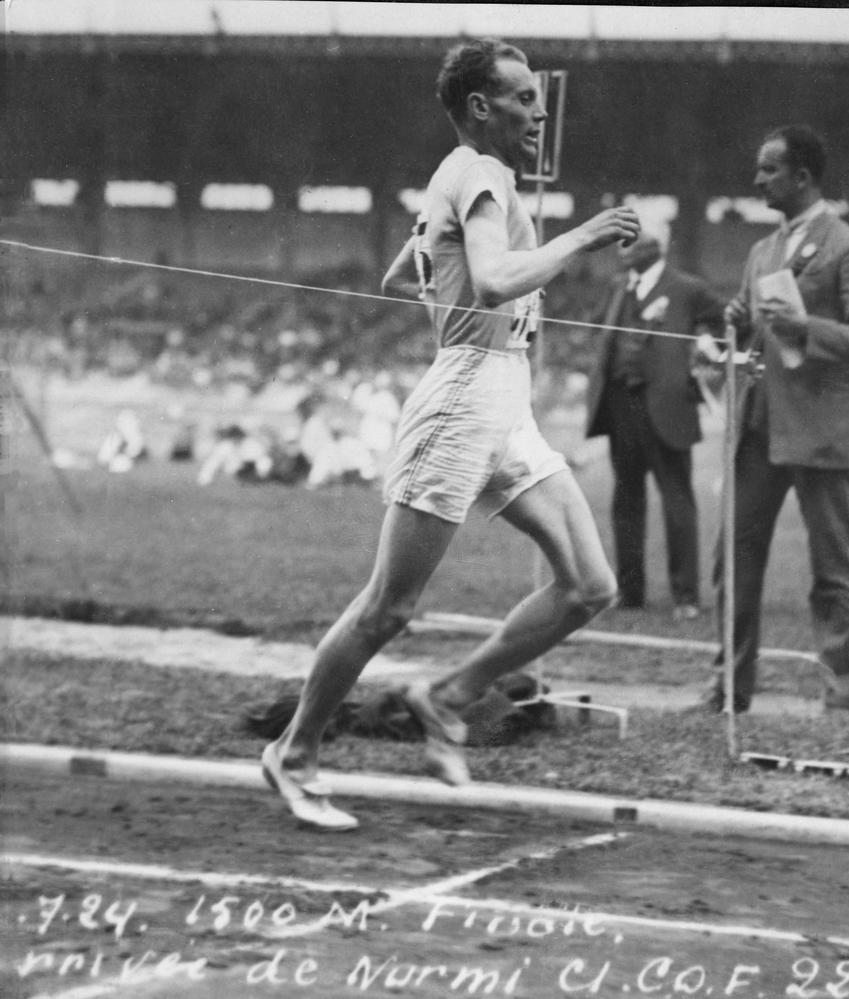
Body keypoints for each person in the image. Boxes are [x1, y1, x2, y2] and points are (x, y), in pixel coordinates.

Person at [261, 37, 640, 831]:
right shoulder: (481, 172)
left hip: (508, 400)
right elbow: (497, 280)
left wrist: (433, 237)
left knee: (590, 586)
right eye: (525, 97)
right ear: (481, 106)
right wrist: (586, 234)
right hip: (466, 393)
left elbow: (403, 277)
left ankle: (447, 695)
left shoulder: (462, 177)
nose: (539, 111)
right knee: (388, 607)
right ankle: (294, 751)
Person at [696, 124, 849, 716]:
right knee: (735, 562)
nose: (757, 180)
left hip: (819, 429)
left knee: (833, 570)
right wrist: (740, 318)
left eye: (769, 170)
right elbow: (759, 331)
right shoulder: (761, 251)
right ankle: (730, 689)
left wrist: (808, 328)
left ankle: (840, 700)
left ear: (802, 176)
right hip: (757, 426)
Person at [584, 229, 724, 620]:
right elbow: (598, 328)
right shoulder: (617, 287)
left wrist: (705, 352)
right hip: (619, 406)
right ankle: (629, 592)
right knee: (625, 501)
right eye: (621, 247)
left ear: (655, 249)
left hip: (667, 407)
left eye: (632, 245)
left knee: (677, 500)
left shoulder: (686, 288)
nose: (623, 252)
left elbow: (725, 322)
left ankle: (686, 596)